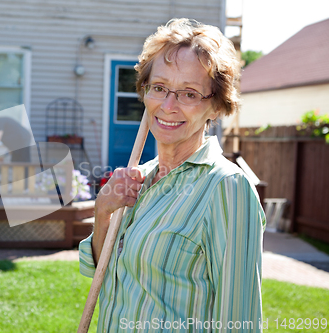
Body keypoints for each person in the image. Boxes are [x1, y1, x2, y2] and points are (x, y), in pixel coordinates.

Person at [79, 18, 265, 332]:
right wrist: (102, 213)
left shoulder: (227, 188)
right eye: (160, 88)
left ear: (217, 106)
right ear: (145, 91)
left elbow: (240, 321)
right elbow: (103, 272)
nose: (168, 106)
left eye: (189, 94)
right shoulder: (140, 178)